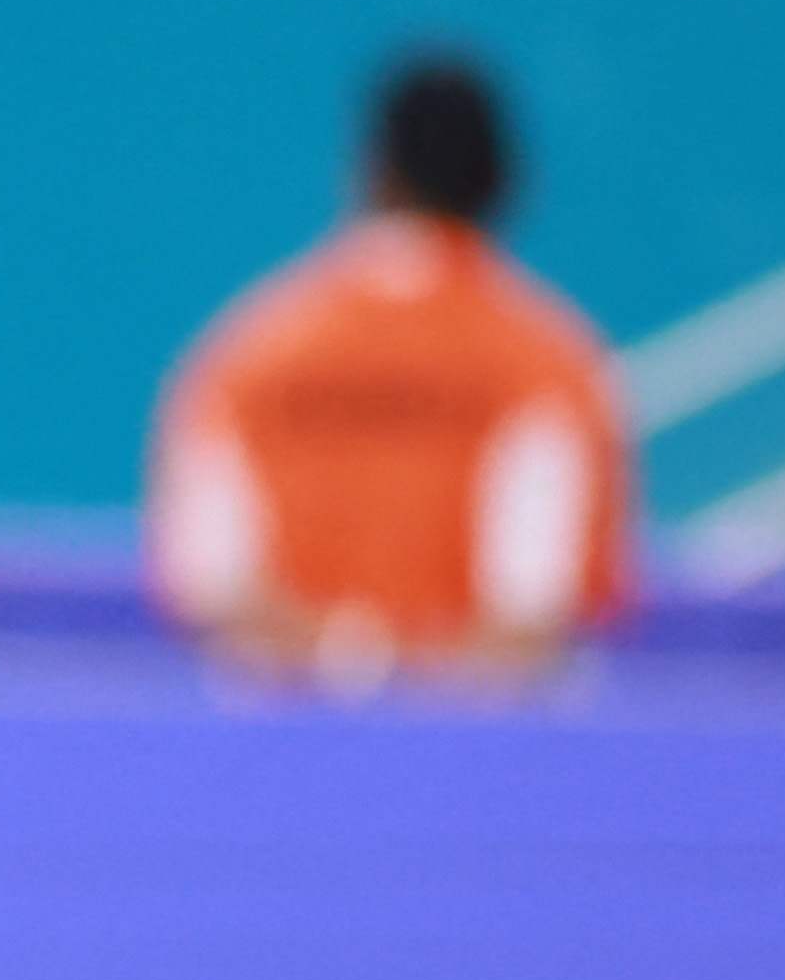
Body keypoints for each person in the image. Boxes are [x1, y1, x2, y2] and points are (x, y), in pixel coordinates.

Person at [147, 51, 631, 682]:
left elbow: (221, 597)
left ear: (370, 172)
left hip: (281, 764)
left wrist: (346, 670)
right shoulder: (554, 363)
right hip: (481, 768)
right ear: (504, 180)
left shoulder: (245, 355)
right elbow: (535, 620)